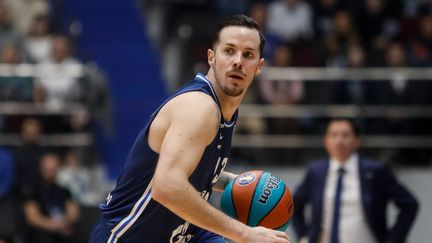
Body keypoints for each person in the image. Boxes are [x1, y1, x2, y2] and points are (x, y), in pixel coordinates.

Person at [90, 15, 291, 243]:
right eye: (229, 51)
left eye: (248, 55)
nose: (238, 61)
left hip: (179, 233)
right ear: (211, 57)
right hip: (130, 236)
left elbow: (192, 171)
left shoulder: (224, 110)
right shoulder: (199, 108)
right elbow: (167, 186)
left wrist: (237, 185)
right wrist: (246, 233)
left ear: (259, 67)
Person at [293, 118, 419, 243]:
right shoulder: (316, 172)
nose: (339, 141)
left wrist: (394, 239)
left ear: (357, 140)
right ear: (326, 141)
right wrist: (304, 237)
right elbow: (293, 205)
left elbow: (409, 204)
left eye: (345, 135)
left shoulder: (375, 171)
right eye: (334, 135)